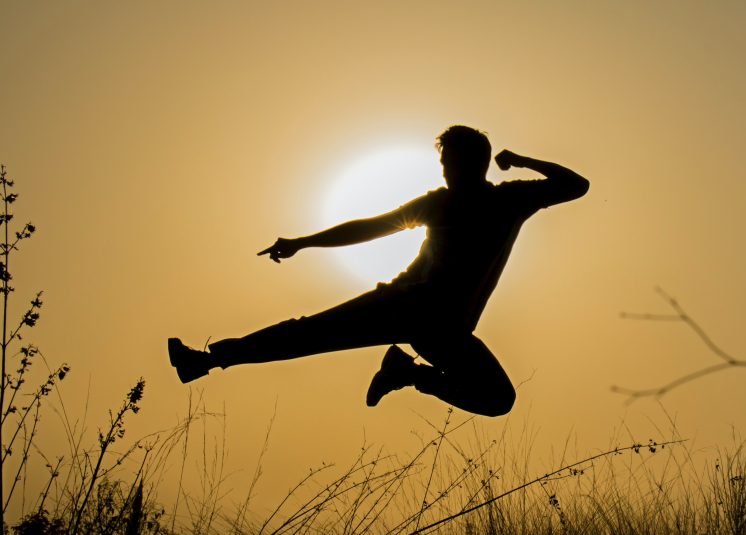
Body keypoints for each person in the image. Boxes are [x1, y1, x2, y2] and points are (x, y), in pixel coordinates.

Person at [168, 125, 589, 416]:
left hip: (443, 330)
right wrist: (305, 242)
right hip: (404, 306)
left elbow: (577, 184)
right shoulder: (471, 202)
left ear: (465, 164)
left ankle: (407, 373)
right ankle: (205, 360)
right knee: (306, 334)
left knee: (498, 399)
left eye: (447, 163)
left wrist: (518, 159)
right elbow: (369, 228)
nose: (443, 171)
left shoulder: (506, 200)